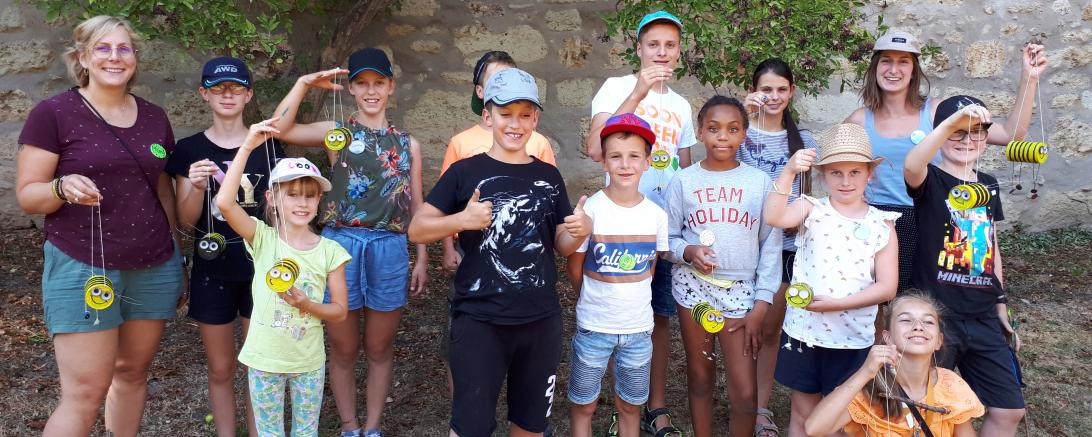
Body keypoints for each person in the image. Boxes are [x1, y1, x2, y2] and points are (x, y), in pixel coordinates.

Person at [15, 15, 184, 436]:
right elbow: (28, 194)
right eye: (103, 48)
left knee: (132, 375)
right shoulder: (53, 113)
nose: (114, 56)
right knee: (86, 392)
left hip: (153, 264)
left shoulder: (154, 117)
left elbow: (161, 187)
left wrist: (176, 249)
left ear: (135, 58)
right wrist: (61, 186)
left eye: (123, 48)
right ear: (83, 58)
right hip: (82, 263)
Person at [408, 67, 591, 437]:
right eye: (506, 113)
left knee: (530, 427)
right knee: (471, 428)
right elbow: (418, 228)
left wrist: (580, 232)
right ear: (487, 116)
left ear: (536, 119)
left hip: (540, 323)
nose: (515, 123)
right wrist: (463, 218)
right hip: (480, 323)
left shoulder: (549, 176)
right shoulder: (464, 172)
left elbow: (560, 242)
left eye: (525, 115)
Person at [270, 48, 429, 437]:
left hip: (389, 246)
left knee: (379, 346)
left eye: (378, 83)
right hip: (340, 246)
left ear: (391, 87)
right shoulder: (337, 133)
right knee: (342, 347)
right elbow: (281, 127)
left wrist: (422, 256)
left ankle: (372, 426)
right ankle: (349, 425)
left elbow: (417, 205)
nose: (371, 91)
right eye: (362, 83)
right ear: (353, 88)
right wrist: (304, 83)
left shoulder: (408, 144)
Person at [843, 30, 1047, 292]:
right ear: (875, 68)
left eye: (903, 61)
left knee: (929, 301)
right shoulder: (859, 120)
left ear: (914, 70)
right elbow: (843, 171)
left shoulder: (937, 111)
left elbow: (1010, 134)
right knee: (877, 303)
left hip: (932, 215)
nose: (894, 69)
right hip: (878, 221)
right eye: (886, 60)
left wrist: (1029, 78)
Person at [585, 11, 696, 435]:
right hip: (618, 222)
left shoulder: (682, 105)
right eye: (654, 45)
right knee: (616, 320)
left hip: (660, 226)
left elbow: (684, 171)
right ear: (639, 49)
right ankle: (621, 408)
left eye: (670, 45)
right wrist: (638, 91)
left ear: (679, 52)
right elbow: (596, 148)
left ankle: (656, 406)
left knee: (658, 318)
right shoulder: (615, 88)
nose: (662, 52)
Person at [166, 56, 281, 436]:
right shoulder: (189, 149)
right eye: (218, 88)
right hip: (212, 268)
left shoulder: (268, 146)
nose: (227, 95)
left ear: (248, 94)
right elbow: (185, 221)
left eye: (235, 88)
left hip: (260, 269)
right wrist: (196, 189)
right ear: (204, 94)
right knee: (220, 367)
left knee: (257, 364)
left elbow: (279, 213)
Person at [214, 121, 350, 435]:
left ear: (319, 201)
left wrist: (309, 304)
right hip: (264, 360)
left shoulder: (331, 251)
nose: (302, 203)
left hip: (307, 363)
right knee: (269, 432)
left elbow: (340, 311)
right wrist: (247, 146)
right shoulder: (261, 238)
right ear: (272, 199)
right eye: (292, 195)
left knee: (305, 432)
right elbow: (224, 203)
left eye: (309, 196)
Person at [763, 123, 899, 436]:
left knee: (844, 419)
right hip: (805, 332)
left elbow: (887, 286)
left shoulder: (883, 224)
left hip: (853, 338)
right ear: (823, 176)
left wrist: (838, 304)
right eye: (836, 173)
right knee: (803, 414)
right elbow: (773, 216)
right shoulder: (812, 209)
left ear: (870, 174)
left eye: (854, 172)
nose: (846, 180)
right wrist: (787, 172)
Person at [903, 95, 1025, 436]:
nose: (967, 140)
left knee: (1009, 410)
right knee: (930, 411)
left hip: (983, 313)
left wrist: (1001, 303)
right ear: (941, 136)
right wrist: (947, 126)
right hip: (937, 313)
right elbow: (912, 165)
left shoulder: (988, 184)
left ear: (986, 138)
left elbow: (991, 245)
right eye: (958, 133)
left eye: (976, 133)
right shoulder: (929, 179)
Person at [664, 95, 780, 437]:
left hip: (742, 293)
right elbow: (667, 239)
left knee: (744, 391)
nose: (722, 137)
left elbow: (770, 249)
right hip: (693, 288)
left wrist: (761, 304)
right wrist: (688, 251)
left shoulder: (759, 183)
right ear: (700, 133)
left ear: (744, 134)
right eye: (713, 129)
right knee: (700, 376)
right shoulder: (684, 181)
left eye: (732, 129)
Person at [567, 113, 668, 437]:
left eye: (634, 156)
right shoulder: (592, 211)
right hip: (594, 327)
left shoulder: (656, 215)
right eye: (616, 156)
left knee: (630, 406)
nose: (625, 164)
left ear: (647, 162)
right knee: (584, 405)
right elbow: (575, 269)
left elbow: (650, 268)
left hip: (638, 330)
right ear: (604, 163)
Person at [738, 57, 819, 437]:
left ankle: (759, 408)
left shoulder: (804, 141)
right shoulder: (737, 131)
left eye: (780, 89)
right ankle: (740, 396)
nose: (773, 97)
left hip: (785, 245)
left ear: (792, 92)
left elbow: (809, 198)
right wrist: (742, 114)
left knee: (770, 330)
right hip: (740, 243)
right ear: (754, 90)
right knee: (740, 328)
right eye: (765, 89)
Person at [805, 292, 985, 436]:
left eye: (928, 321)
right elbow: (814, 429)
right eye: (906, 320)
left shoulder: (951, 386)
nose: (918, 326)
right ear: (887, 337)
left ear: (938, 341)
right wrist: (864, 373)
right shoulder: (869, 386)